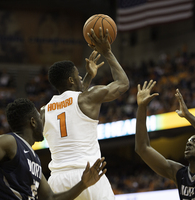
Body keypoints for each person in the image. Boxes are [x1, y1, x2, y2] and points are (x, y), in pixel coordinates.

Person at [41, 27, 129, 200]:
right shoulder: (88, 98)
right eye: (78, 75)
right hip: (89, 174)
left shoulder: (44, 111)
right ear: (71, 80)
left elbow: (72, 104)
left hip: (57, 182)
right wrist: (108, 52)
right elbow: (123, 83)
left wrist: (89, 77)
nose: (82, 77)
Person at [0, 96, 107, 200]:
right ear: (33, 121)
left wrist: (83, 184)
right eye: (39, 118)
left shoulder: (34, 158)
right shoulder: (8, 141)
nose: (42, 122)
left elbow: (51, 198)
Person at [135, 80, 195, 200]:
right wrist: (142, 108)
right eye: (189, 141)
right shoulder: (179, 173)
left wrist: (188, 116)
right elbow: (142, 148)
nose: (189, 143)